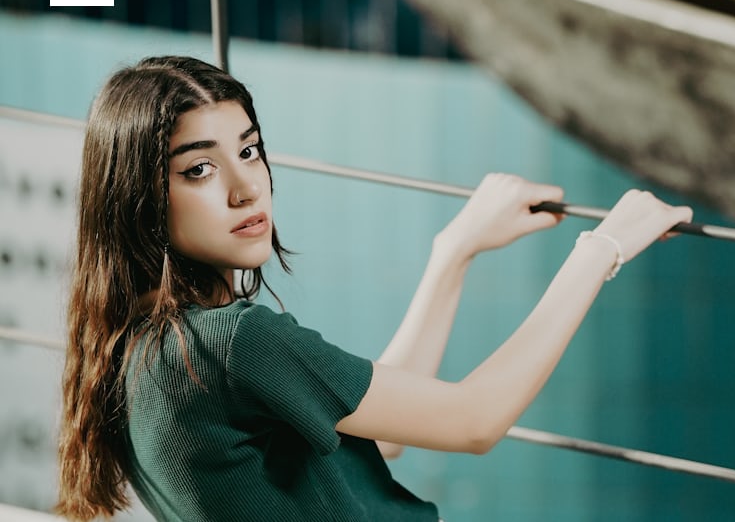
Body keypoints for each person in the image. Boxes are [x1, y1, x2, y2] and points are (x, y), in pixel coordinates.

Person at [54, 55, 693, 521]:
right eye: (199, 169)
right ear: (140, 198)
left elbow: (377, 434)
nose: (244, 188)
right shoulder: (235, 342)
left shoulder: (134, 343)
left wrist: (454, 252)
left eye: (249, 151)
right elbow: (474, 422)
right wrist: (601, 249)